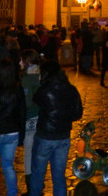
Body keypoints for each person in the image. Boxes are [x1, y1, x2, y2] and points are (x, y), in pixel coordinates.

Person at [30, 60, 83, 196]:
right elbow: (78, 114)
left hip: (45, 136)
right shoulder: (71, 89)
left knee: (37, 174)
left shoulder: (45, 90)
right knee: (59, 176)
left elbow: (35, 99)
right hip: (63, 137)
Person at [0, 58, 26, 196]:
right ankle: (12, 193)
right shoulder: (17, 89)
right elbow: (22, 112)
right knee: (8, 166)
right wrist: (22, 136)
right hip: (11, 132)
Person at [19, 49, 41, 196]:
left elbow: (26, 103)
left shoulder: (27, 79)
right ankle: (38, 183)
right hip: (41, 120)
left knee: (28, 154)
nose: (19, 63)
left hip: (30, 120)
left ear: (28, 62)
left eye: (21, 60)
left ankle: (31, 187)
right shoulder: (41, 75)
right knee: (38, 153)